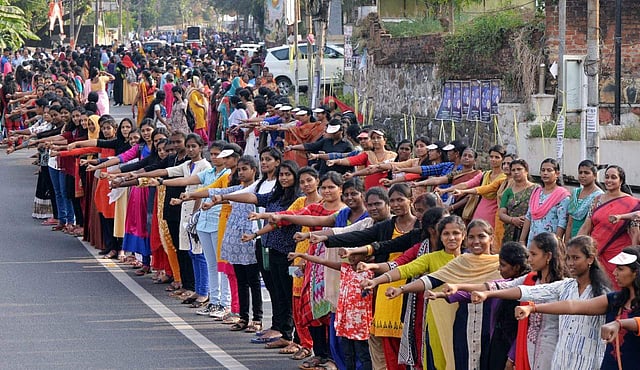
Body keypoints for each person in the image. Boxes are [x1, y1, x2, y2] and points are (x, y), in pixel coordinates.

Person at [468, 235, 610, 370]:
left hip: (588, 361)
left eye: (576, 258)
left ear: (590, 259)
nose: (571, 263)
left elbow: (571, 306)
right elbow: (527, 291)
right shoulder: (566, 285)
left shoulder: (602, 294)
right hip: (561, 359)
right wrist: (488, 294)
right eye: (568, 258)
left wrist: (533, 308)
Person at [384, 218, 502, 370]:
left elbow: (509, 286)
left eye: (481, 236)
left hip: (491, 324)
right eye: (472, 237)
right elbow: (431, 280)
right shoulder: (461, 262)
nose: (476, 241)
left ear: (491, 238)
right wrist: (401, 289)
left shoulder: (500, 263)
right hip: (463, 324)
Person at [450, 232, 569, 370]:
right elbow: (501, 285)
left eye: (534, 255)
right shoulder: (530, 279)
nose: (529, 259)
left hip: (552, 348)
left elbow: (520, 291)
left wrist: (487, 293)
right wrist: (460, 287)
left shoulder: (564, 285)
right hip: (527, 347)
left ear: (548, 256)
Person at [513, 246, 640, 370]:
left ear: (636, 272)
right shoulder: (615, 300)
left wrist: (619, 324)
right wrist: (533, 308)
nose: (615, 272)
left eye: (621, 269)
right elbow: (573, 305)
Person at [427, 242, 530, 370]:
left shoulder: (526, 288)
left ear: (516, 267)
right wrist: (441, 295)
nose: (499, 269)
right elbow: (481, 291)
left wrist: (511, 357)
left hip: (514, 348)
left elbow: (523, 332)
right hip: (498, 342)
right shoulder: (507, 283)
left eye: (503, 265)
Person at [578, 165, 640, 288]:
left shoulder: (632, 203)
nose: (609, 180)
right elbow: (586, 226)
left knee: (616, 289)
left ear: (621, 181)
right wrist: (576, 245)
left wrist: (632, 258)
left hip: (618, 256)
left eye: (613, 177)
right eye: (607, 177)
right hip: (596, 253)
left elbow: (634, 233)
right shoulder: (597, 200)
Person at [519, 158, 569, 246]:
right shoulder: (536, 192)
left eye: (549, 170)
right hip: (532, 241)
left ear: (557, 173)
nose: (545, 173)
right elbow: (529, 216)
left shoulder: (562, 195)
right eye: (543, 170)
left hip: (550, 242)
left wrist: (557, 245)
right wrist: (522, 240)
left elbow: (562, 222)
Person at [327, 130, 397, 190]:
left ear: (385, 140)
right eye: (373, 138)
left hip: (387, 189)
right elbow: (352, 160)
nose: (376, 140)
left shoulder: (393, 156)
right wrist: (336, 161)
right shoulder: (367, 154)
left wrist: (353, 174)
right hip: (369, 189)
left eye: (378, 138)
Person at [498, 159, 538, 245]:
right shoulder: (508, 192)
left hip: (530, 230)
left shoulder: (536, 189)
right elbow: (501, 214)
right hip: (510, 232)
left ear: (526, 171)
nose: (516, 172)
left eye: (519, 169)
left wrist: (527, 218)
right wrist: (513, 220)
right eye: (513, 170)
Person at [566, 160, 604, 241]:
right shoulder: (576, 192)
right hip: (572, 239)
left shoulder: (599, 196)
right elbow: (570, 223)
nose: (582, 175)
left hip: (587, 240)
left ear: (595, 175)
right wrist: (566, 242)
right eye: (580, 172)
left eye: (586, 173)